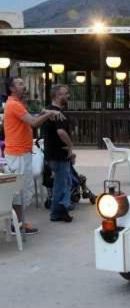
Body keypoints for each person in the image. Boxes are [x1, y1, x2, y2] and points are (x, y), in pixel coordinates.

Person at [4, 77, 64, 234]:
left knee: (24, 189)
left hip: (21, 152)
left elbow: (30, 118)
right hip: (18, 154)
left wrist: (44, 112)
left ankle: (19, 223)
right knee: (20, 190)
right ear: (11, 88)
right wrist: (50, 112)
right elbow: (33, 122)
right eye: (20, 84)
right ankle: (16, 225)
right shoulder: (14, 104)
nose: (24, 86)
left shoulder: (16, 104)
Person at [42, 84, 74, 222]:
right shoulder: (55, 112)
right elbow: (60, 132)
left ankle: (63, 207)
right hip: (58, 154)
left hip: (53, 154)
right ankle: (57, 212)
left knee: (65, 182)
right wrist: (70, 146)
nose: (67, 96)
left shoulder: (49, 110)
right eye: (65, 93)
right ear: (57, 95)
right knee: (61, 184)